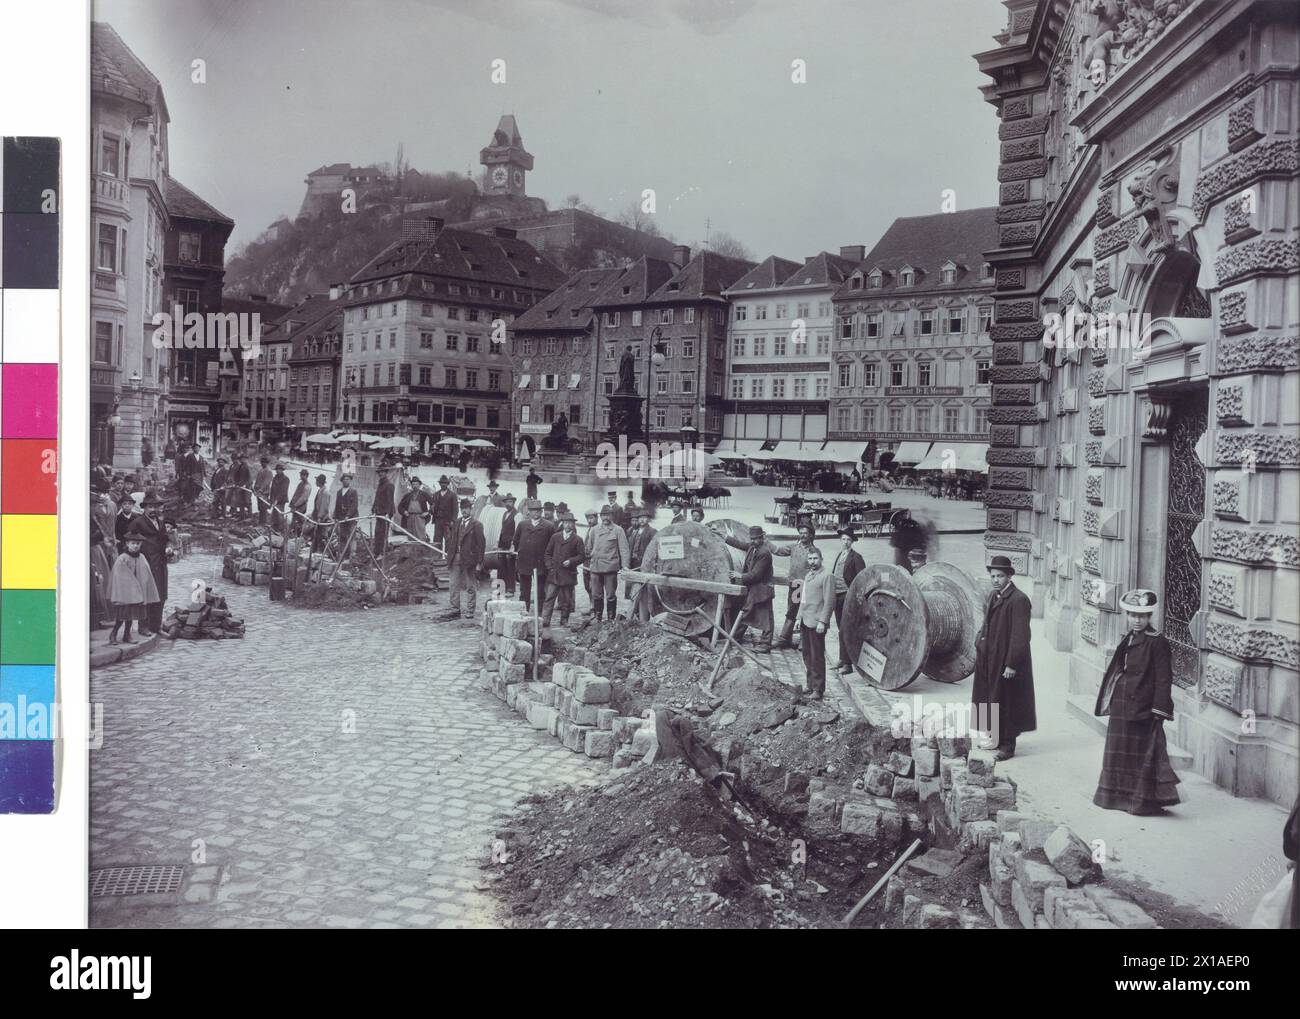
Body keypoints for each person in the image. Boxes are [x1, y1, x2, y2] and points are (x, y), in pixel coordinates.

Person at [1093, 589, 1180, 815]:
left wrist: (1159, 710)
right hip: (1121, 705)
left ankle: (1140, 802)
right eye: (1132, 615)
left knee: (1140, 754)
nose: (1137, 620)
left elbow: (1163, 678)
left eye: (1142, 616)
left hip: (1143, 707)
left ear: (1149, 617)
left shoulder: (1157, 642)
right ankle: (1114, 797)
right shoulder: (1128, 637)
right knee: (1118, 752)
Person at [971, 555, 1036, 761]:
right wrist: (979, 642)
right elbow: (986, 623)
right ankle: (991, 735)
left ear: (1009, 576)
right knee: (987, 697)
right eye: (993, 576)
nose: (996, 579)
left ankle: (1008, 744)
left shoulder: (1019, 600)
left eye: (1000, 576)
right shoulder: (993, 596)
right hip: (988, 655)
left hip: (1005, 659)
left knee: (1006, 700)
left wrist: (1012, 663)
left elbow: (1021, 636)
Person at [126, 492, 170, 636]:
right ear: (144, 508)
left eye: (156, 507)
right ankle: (143, 626)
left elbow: (164, 538)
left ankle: (156, 626)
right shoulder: (137, 523)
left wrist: (169, 547)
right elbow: (129, 542)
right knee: (145, 595)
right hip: (145, 563)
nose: (153, 510)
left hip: (161, 563)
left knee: (160, 594)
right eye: (150, 507)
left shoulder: (161, 521)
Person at [797, 548, 835, 700]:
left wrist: (823, 621)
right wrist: (799, 617)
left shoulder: (827, 576)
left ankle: (818, 689)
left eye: (815, 558)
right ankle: (810, 684)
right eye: (810, 559)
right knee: (807, 654)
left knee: (817, 656)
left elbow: (830, 601)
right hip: (806, 620)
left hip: (817, 623)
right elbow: (803, 599)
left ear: (821, 559)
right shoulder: (808, 576)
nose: (812, 561)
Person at [107, 536, 159, 645]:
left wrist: (141, 587)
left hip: (136, 593)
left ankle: (127, 635)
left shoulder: (141, 557)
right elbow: (119, 575)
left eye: (138, 543)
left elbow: (146, 574)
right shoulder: (122, 558)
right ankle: (113, 634)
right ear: (127, 543)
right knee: (122, 616)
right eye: (133, 543)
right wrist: (132, 585)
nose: (135, 546)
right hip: (125, 593)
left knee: (131, 616)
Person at [731, 525, 775, 652]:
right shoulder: (753, 547)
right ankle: (735, 637)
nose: (753, 541)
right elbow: (740, 544)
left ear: (762, 538)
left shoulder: (764, 553)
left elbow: (756, 575)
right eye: (751, 538)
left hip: (763, 589)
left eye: (755, 539)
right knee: (747, 612)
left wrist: (740, 576)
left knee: (764, 615)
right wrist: (724, 537)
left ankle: (765, 644)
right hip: (756, 588)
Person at [830, 526, 866, 673]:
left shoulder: (856, 557)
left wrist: (857, 598)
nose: (845, 542)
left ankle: (848, 665)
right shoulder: (840, 555)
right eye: (843, 539)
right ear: (840, 540)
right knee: (840, 628)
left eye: (848, 540)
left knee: (846, 628)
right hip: (837, 595)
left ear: (852, 542)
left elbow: (862, 579)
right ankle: (842, 659)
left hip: (848, 596)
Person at [587, 505, 630, 622]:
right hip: (595, 567)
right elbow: (589, 547)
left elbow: (624, 550)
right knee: (596, 594)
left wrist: (625, 566)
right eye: (603, 515)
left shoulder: (618, 530)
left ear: (612, 516)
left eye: (608, 515)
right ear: (600, 516)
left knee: (610, 595)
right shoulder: (594, 530)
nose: (606, 517)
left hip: (610, 567)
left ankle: (611, 619)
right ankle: (598, 618)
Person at [542, 512, 585, 628]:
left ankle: (564, 620)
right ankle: (545, 620)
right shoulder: (555, 537)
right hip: (554, 573)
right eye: (566, 523)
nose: (568, 526)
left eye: (570, 523)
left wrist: (571, 561)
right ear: (562, 524)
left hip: (568, 574)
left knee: (567, 599)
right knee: (549, 597)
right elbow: (547, 553)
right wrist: (549, 567)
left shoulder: (577, 539)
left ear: (573, 525)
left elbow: (582, 556)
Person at [446, 498, 485, 620]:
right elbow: (452, 540)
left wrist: (479, 562)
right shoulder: (457, 522)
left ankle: (470, 610)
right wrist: (449, 556)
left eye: (467, 508)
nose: (464, 510)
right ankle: (455, 609)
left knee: (470, 586)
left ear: (471, 509)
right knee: (453, 584)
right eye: (462, 508)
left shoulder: (477, 525)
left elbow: (481, 545)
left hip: (469, 560)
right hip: (455, 557)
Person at [513, 498, 555, 611]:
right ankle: (524, 612)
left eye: (538, 511)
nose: (535, 513)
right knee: (524, 591)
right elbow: (516, 541)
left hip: (540, 564)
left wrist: (548, 562)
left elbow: (552, 546)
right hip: (525, 563)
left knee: (540, 591)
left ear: (541, 512)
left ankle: (539, 613)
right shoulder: (522, 525)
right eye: (533, 510)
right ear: (529, 512)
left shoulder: (548, 526)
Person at [624, 507, 657, 621]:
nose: (642, 520)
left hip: (644, 565)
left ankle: (644, 617)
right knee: (633, 591)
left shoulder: (653, 532)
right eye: (640, 518)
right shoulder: (634, 532)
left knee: (645, 592)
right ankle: (636, 613)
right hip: (633, 565)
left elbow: (654, 550)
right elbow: (629, 548)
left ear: (648, 519)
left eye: (644, 518)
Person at [496, 493, 518, 595]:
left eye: (510, 502)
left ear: (513, 503)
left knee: (510, 567)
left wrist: (513, 546)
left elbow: (518, 532)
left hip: (511, 546)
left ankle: (511, 589)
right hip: (503, 545)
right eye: (506, 502)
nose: (507, 504)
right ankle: (500, 588)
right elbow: (502, 530)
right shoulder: (505, 514)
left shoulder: (517, 515)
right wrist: (498, 544)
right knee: (501, 566)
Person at [333, 473, 359, 558]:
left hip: (351, 518)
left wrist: (348, 515)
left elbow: (354, 505)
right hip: (341, 518)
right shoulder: (339, 492)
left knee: (352, 536)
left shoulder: (353, 491)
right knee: (342, 535)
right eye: (344, 479)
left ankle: (353, 554)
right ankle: (343, 554)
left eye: (348, 479)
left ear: (350, 481)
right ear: (341, 481)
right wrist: (335, 516)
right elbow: (337, 505)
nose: (346, 481)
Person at [372, 467, 396, 555]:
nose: (380, 474)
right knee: (377, 532)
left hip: (385, 513)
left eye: (382, 472)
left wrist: (387, 513)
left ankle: (382, 553)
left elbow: (390, 500)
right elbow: (377, 498)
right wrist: (373, 509)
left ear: (386, 473)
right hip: (379, 512)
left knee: (383, 533)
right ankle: (376, 552)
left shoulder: (389, 485)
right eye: (379, 473)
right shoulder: (380, 484)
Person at [581, 508, 600, 611]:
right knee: (586, 585)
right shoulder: (589, 529)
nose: (589, 521)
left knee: (594, 585)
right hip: (586, 561)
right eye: (588, 518)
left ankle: (595, 608)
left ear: (596, 518)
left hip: (595, 561)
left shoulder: (599, 529)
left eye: (591, 518)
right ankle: (591, 604)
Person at [430, 475, 457, 546]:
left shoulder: (452, 495)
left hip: (447, 522)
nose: (443, 484)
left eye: (445, 483)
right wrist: (431, 509)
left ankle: (448, 556)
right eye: (442, 483)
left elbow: (455, 509)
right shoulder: (435, 495)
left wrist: (453, 521)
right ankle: (437, 556)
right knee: (437, 540)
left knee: (448, 540)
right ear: (440, 484)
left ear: (447, 484)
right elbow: (432, 508)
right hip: (438, 521)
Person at [310, 474, 331, 554]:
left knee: (322, 534)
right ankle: (316, 550)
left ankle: (321, 551)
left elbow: (324, 506)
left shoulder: (325, 492)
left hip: (323, 518)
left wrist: (319, 516)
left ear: (320, 482)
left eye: (317, 481)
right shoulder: (320, 490)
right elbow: (317, 504)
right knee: (317, 533)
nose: (315, 482)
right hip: (318, 516)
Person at [289, 469, 312, 535]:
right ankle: (293, 533)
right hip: (295, 506)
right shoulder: (300, 484)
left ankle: (299, 535)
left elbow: (303, 498)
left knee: (299, 521)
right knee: (294, 520)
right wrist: (292, 504)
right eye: (301, 474)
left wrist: (295, 505)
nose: (301, 476)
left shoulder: (308, 486)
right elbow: (296, 494)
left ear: (306, 476)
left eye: (303, 475)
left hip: (301, 507)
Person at [253, 456, 274, 525]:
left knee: (263, 507)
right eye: (261, 462)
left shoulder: (269, 471)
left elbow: (266, 482)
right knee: (260, 507)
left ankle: (263, 522)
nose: (262, 463)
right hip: (258, 491)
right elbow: (257, 480)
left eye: (264, 462)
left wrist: (261, 490)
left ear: (267, 463)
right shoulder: (261, 470)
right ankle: (260, 521)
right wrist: (254, 488)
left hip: (264, 492)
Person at [270, 461, 290, 530]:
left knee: (280, 515)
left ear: (282, 470)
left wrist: (277, 500)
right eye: (277, 470)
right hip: (274, 499)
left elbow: (283, 491)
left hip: (281, 500)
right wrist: (271, 499)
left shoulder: (286, 479)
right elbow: (272, 489)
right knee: (274, 514)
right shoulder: (275, 478)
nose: (277, 471)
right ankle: (274, 528)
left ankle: (280, 529)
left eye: (279, 470)